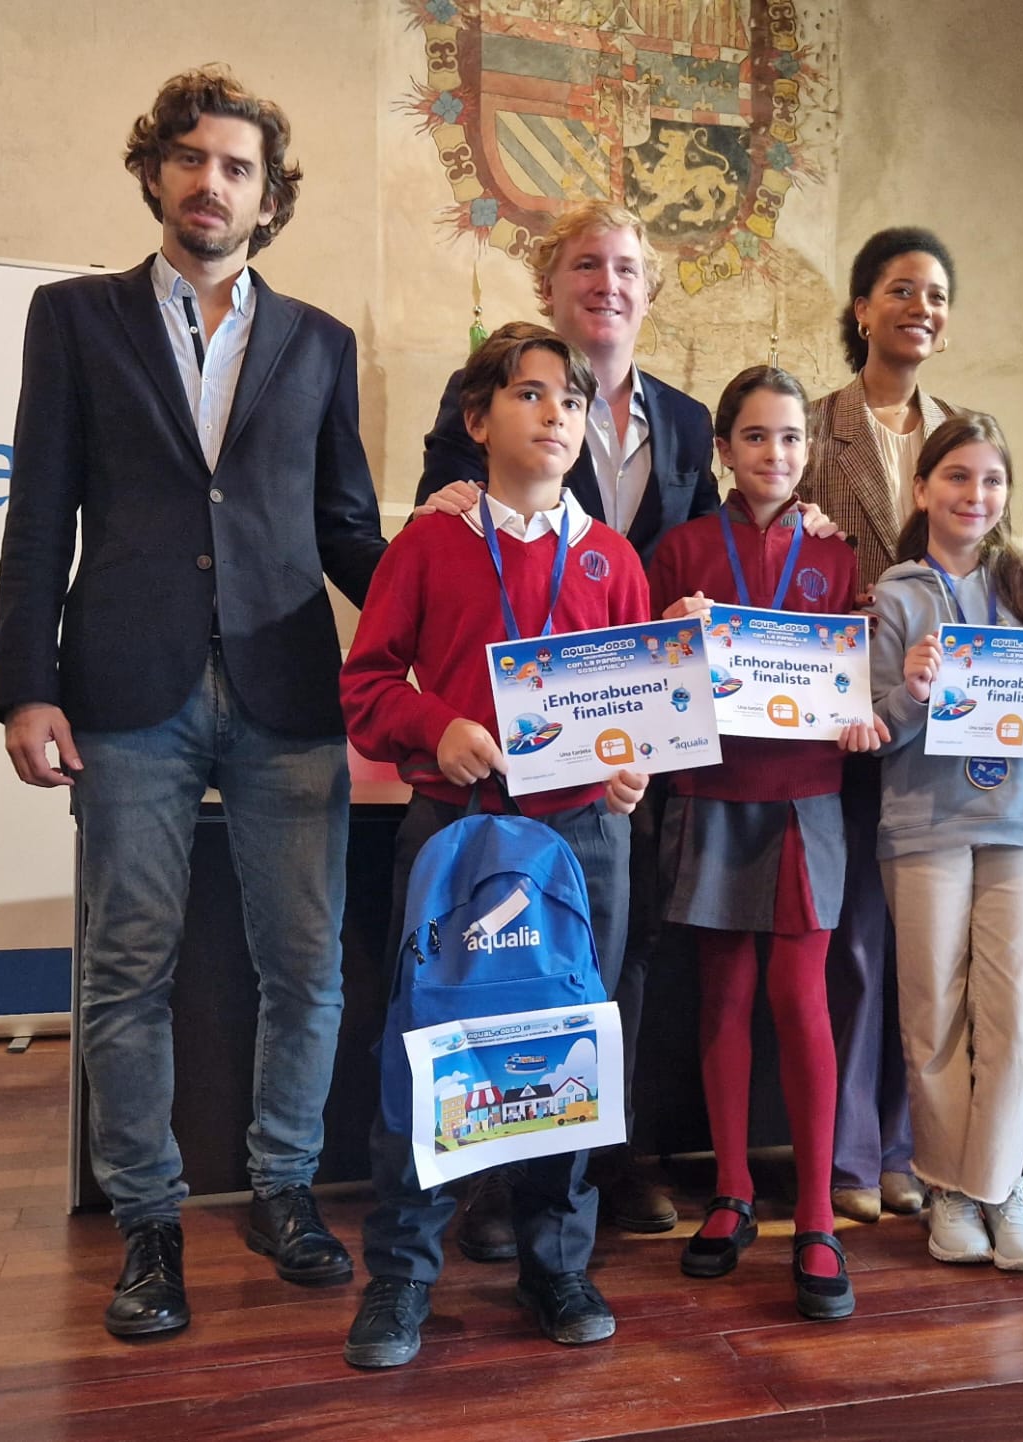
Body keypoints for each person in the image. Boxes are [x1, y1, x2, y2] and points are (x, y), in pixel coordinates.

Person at [0, 66, 385, 1338]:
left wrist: (450, 602)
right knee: (126, 967)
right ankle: (148, 1220)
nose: (212, 182)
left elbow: (347, 527)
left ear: (268, 198)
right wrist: (26, 685)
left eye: (238, 168)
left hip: (287, 691)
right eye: (193, 159)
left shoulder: (319, 342)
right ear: (157, 172)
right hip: (126, 688)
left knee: (306, 964)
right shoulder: (74, 317)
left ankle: (282, 1188)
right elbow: (38, 511)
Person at [338, 321, 651, 1367]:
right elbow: (365, 686)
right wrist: (436, 726)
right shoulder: (432, 544)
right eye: (529, 393)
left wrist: (634, 769)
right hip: (456, 831)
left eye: (572, 399)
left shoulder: (611, 558)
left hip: (582, 842)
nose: (555, 413)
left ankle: (557, 1260)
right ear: (477, 419)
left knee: (574, 1040)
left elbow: (638, 714)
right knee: (428, 1044)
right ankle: (402, 1274)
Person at [414, 201, 718, 1241]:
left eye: (627, 267)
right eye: (586, 264)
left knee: (619, 957)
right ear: (549, 285)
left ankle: (606, 1160)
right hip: (507, 755)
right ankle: (500, 1181)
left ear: (648, 290)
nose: (608, 283)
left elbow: (700, 547)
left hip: (627, 736)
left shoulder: (686, 420)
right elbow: (449, 517)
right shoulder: (504, 389)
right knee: (509, 957)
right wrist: (441, 509)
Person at [647, 366, 888, 1321]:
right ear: (723, 448)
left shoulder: (833, 555)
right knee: (724, 998)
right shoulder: (681, 550)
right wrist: (672, 636)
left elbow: (852, 674)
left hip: (805, 799)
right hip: (711, 793)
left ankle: (817, 1214)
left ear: (809, 450)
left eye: (791, 437)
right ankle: (733, 1190)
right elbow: (650, 685)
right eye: (755, 436)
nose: (775, 454)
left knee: (800, 1000)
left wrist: (861, 713)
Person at [869, 413, 1023, 1269]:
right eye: (957, 476)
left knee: (1018, 1012)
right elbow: (871, 729)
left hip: (1013, 821)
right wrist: (909, 692)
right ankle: (947, 1186)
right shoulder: (894, 596)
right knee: (934, 1012)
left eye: (991, 480)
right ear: (922, 489)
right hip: (922, 825)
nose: (974, 494)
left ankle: (1001, 1185)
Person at [799, 226, 961, 1223]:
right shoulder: (810, 428)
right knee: (856, 943)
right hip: (849, 722)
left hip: (943, 730)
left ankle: (911, 1148)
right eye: (902, 289)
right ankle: (854, 1156)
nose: (921, 308)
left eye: (936, 294)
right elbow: (777, 566)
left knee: (924, 947)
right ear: (861, 308)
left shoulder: (962, 435)